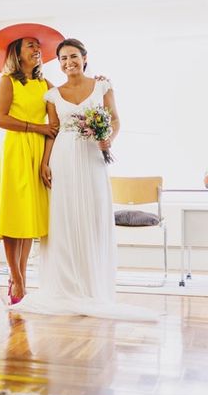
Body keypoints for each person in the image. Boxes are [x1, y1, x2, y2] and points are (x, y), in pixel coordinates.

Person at [10, 38, 158, 321]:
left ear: (85, 57)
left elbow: (115, 120)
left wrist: (108, 140)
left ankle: (93, 287)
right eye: (63, 58)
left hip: (92, 158)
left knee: (92, 216)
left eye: (73, 56)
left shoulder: (103, 86)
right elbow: (52, 131)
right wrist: (44, 161)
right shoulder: (52, 95)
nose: (69, 63)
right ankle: (64, 286)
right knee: (63, 219)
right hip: (62, 159)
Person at [0, 23, 63, 304]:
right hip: (15, 151)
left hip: (38, 153)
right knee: (13, 216)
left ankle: (21, 278)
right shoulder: (8, 81)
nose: (37, 50)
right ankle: (15, 279)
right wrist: (36, 129)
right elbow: (0, 119)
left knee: (28, 218)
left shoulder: (46, 85)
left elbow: (56, 122)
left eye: (38, 46)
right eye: (31, 45)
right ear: (17, 51)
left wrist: (46, 161)